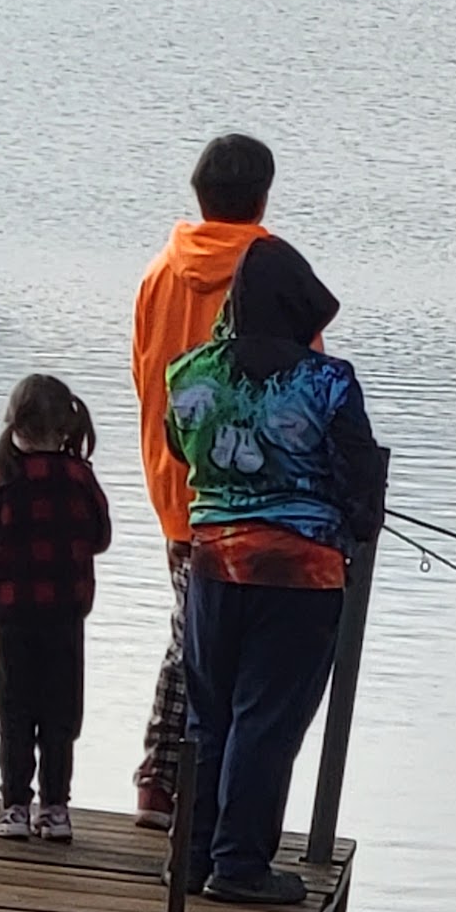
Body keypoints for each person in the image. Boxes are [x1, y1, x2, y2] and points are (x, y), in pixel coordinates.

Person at [168, 235, 385, 905]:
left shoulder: (188, 373)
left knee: (207, 718)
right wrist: (352, 514)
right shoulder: (329, 382)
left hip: (210, 568)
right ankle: (238, 867)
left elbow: (184, 453)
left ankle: (191, 856)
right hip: (301, 579)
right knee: (265, 720)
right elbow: (360, 490)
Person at [131, 133, 279, 830]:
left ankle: (173, 782)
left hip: (175, 483)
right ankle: (168, 781)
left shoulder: (160, 272)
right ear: (263, 196)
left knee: (195, 629)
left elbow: (143, 375)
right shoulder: (270, 271)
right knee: (212, 644)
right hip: (248, 487)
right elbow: (296, 387)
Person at [0, 373, 111, 844]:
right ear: (66, 428)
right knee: (60, 715)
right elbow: (100, 538)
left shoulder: (1, 483)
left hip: (12, 619)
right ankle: (55, 809)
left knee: (13, 712)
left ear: (15, 424)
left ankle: (13, 806)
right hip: (66, 617)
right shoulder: (80, 479)